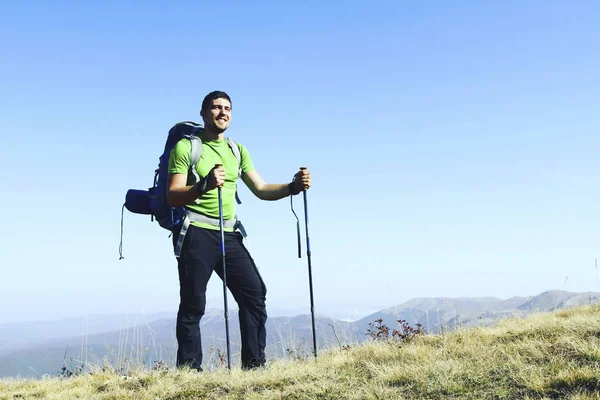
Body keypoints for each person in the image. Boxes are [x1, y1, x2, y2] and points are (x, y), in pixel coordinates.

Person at [166, 90, 311, 371]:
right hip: (196, 231)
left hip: (229, 233)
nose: (223, 112)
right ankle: (189, 373)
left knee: (254, 294)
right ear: (203, 112)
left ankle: (254, 367)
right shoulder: (187, 148)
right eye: (216, 107)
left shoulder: (236, 149)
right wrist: (202, 186)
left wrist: (292, 187)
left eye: (228, 108)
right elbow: (173, 195)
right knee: (193, 305)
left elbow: (261, 189)